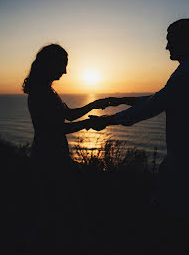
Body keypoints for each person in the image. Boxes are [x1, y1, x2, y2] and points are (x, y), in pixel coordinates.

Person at [89, 19, 189, 224]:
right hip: (187, 156)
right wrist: (122, 101)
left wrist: (108, 120)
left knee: (179, 221)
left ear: (184, 40)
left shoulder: (187, 73)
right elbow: (160, 98)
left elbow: (153, 106)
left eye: (170, 40)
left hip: (188, 161)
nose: (166, 46)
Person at [22, 43, 119, 253]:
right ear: (50, 64)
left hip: (54, 156)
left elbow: (69, 115)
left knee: (56, 209)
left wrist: (94, 104)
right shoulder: (41, 93)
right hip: (48, 159)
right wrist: (89, 124)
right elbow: (56, 128)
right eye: (63, 65)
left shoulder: (48, 90)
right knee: (58, 209)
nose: (65, 71)